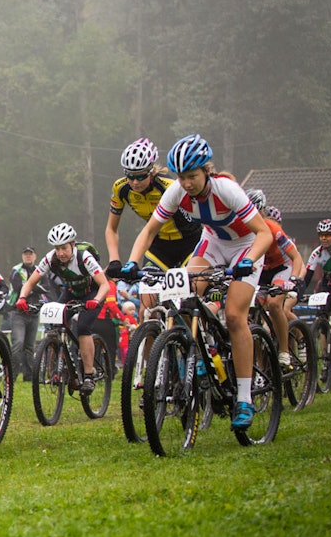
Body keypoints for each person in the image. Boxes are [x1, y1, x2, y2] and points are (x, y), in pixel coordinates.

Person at [118, 134, 272, 430]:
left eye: (192, 176)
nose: (186, 183)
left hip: (246, 246)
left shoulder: (225, 189)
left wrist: (248, 261)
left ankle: (243, 399)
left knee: (235, 316)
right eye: (181, 177)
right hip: (212, 244)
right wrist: (132, 262)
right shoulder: (177, 191)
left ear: (207, 171)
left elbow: (264, 233)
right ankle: (199, 352)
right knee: (181, 299)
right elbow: (150, 230)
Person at [104, 137, 202, 315]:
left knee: (189, 305)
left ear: (152, 171)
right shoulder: (121, 189)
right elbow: (111, 228)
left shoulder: (170, 187)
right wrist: (114, 260)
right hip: (159, 246)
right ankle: (150, 339)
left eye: (141, 176)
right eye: (130, 176)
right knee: (146, 309)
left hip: (190, 244)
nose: (135, 182)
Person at [14, 223, 114, 394]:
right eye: (57, 248)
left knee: (83, 327)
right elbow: (30, 282)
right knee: (55, 323)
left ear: (73, 245)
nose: (61, 253)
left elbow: (105, 285)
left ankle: (89, 375)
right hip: (71, 292)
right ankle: (61, 365)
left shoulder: (85, 257)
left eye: (64, 248)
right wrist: (22, 298)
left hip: (93, 293)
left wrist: (96, 300)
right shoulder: (50, 258)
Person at [246, 190, 304, 368]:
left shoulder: (274, 230)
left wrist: (293, 279)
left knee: (273, 304)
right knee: (248, 310)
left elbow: (296, 257)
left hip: (281, 268)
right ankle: (257, 361)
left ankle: (284, 351)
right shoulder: (242, 231)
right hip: (261, 270)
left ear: (262, 211)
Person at [7, 246, 48, 380]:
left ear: (35, 256)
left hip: (34, 312)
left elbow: (46, 288)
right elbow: (19, 287)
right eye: (25, 254)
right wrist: (35, 287)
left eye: (30, 254)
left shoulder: (40, 270)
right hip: (18, 313)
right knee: (18, 343)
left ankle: (29, 375)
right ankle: (12, 374)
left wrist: (30, 286)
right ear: (22, 256)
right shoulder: (16, 270)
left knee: (30, 346)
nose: (28, 256)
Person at [301, 218, 331, 328]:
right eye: (321, 235)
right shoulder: (316, 253)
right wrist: (300, 292)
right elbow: (307, 277)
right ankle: (324, 343)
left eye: (327, 235)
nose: (324, 238)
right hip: (328, 283)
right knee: (323, 313)